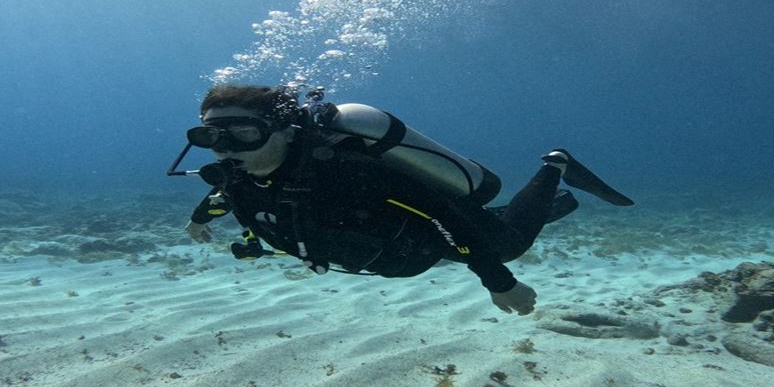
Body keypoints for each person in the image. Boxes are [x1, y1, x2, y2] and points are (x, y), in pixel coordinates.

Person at [175, 85, 633, 316]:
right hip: (396, 243)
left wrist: (500, 282)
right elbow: (225, 195)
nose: (226, 149)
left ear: (282, 130)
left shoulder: (347, 171)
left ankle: (555, 166)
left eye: (244, 133)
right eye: (211, 137)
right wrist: (199, 220)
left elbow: (442, 215)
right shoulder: (237, 175)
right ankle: (520, 212)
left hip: (430, 234)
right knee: (479, 232)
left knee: (507, 244)